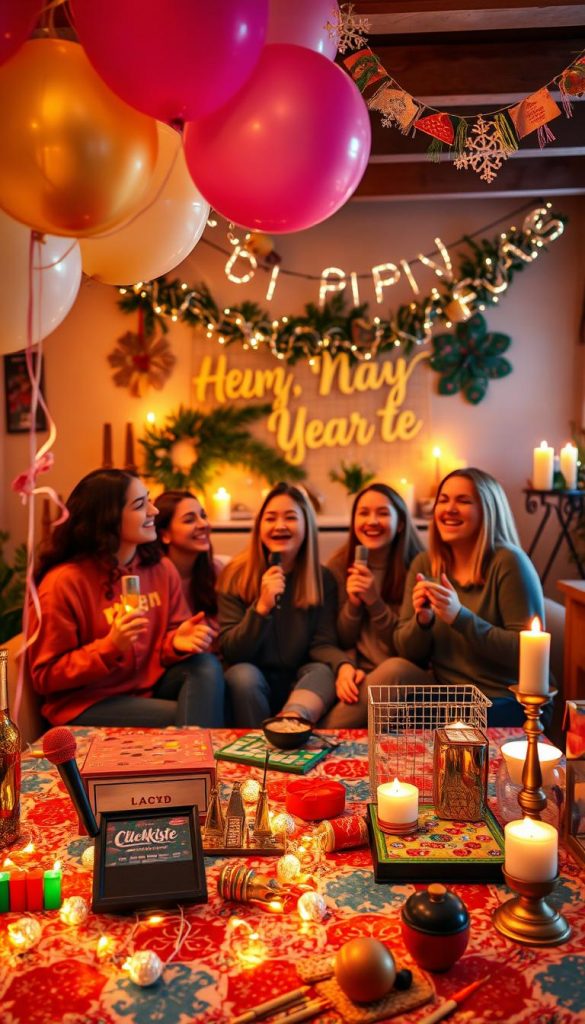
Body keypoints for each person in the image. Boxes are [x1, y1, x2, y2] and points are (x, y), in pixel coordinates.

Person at [29, 469, 225, 728]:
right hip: (86, 703)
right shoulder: (63, 582)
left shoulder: (161, 569)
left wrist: (176, 642)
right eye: (141, 505)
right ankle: (201, 765)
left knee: (205, 665)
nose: (154, 511)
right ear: (108, 518)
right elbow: (46, 676)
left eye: (150, 501)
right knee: (183, 717)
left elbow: (165, 644)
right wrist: (110, 647)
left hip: (146, 688)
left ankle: (201, 763)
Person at [392, 467, 549, 727]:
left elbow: (524, 653)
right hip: (452, 699)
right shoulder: (424, 564)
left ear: (488, 510)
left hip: (507, 699)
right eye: (444, 500)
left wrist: (460, 617)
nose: (449, 508)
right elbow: (408, 653)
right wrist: (422, 621)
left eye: (463, 501)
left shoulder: (509, 562)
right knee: (393, 720)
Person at [217, 482, 355, 727]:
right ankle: (257, 749)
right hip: (250, 685)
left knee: (322, 671)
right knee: (243, 675)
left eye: (290, 518)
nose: (280, 525)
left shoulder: (323, 579)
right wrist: (261, 608)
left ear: (306, 525)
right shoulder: (235, 575)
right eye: (270, 518)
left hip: (299, 683)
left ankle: (288, 727)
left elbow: (322, 644)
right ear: (260, 526)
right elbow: (232, 651)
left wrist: (342, 664)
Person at [319, 483, 425, 728]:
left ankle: (319, 737)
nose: (372, 521)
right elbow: (341, 639)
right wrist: (354, 605)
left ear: (400, 524)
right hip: (360, 672)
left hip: (403, 671)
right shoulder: (338, 566)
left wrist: (375, 602)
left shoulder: (417, 567)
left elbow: (409, 649)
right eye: (363, 513)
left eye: (383, 513)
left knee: (393, 669)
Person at [155, 489, 221, 620]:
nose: (204, 524)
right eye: (189, 520)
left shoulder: (217, 571)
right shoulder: (152, 580)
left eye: (203, 516)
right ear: (165, 535)